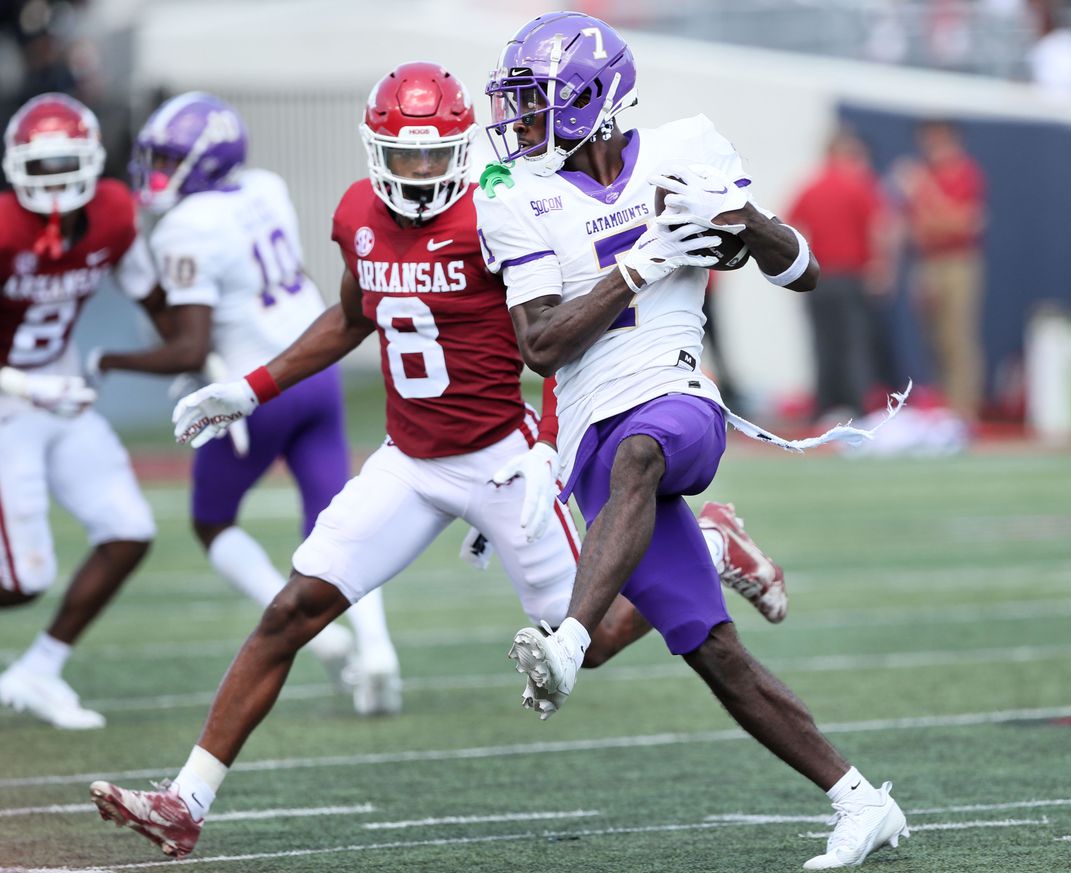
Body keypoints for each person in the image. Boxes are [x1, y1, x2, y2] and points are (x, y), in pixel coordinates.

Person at [87, 61, 786, 861]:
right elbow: (353, 318)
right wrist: (250, 388)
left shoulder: (504, 206)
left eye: (431, 154)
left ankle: (710, 544)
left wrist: (548, 455)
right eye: (403, 154)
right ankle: (186, 800)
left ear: (459, 146)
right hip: (411, 458)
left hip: (501, 455)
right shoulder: (358, 211)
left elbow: (559, 349)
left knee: (578, 642)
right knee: (291, 612)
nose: (418, 171)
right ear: (374, 147)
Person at [477, 12, 908, 869]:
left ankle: (563, 637)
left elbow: (802, 266)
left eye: (536, 102)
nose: (519, 121)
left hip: (678, 402)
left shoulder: (685, 148)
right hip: (591, 440)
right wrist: (639, 261)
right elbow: (541, 344)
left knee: (642, 455)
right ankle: (862, 801)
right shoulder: (516, 197)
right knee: (711, 649)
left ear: (592, 103)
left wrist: (740, 215)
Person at [84, 91, 402, 715]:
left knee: (212, 521)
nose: (156, 171)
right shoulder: (265, 185)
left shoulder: (185, 226)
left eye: (170, 158)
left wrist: (106, 360)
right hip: (316, 368)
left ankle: (330, 644)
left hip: (257, 387)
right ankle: (379, 648)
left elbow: (187, 347)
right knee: (336, 524)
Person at [0, 93, 156, 730]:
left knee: (128, 530)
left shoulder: (116, 213)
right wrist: (20, 387)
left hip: (59, 392)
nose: (57, 182)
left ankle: (38, 669)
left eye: (70, 164)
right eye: (42, 167)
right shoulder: (5, 227)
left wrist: (209, 361)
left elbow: (154, 294)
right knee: (20, 582)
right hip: (7, 408)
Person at [787, 127, 903, 421]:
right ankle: (858, 407)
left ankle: (823, 408)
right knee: (854, 343)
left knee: (822, 343)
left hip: (817, 278)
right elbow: (880, 227)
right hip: (851, 276)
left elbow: (790, 227)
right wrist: (882, 266)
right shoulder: (859, 185)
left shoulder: (810, 186)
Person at [895, 119, 986, 425]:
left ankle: (964, 409)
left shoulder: (962, 173)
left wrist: (925, 193)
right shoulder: (926, 174)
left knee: (957, 337)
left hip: (956, 260)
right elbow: (913, 226)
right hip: (927, 261)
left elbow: (962, 222)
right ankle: (945, 407)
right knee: (932, 338)